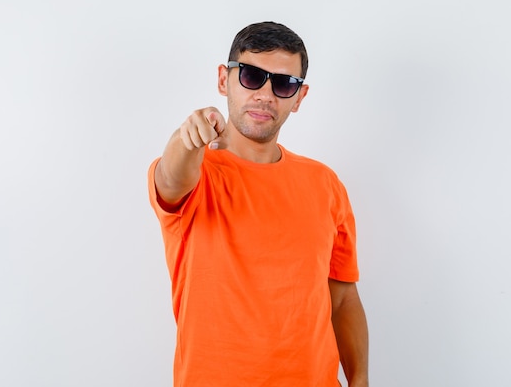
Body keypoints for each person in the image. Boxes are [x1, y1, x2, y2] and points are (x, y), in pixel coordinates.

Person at [147, 21, 369, 387]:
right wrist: (187, 140)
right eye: (251, 75)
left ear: (299, 97)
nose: (266, 94)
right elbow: (170, 180)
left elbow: (343, 298)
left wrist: (360, 380)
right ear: (224, 79)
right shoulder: (198, 174)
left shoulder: (325, 184)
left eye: (283, 84)